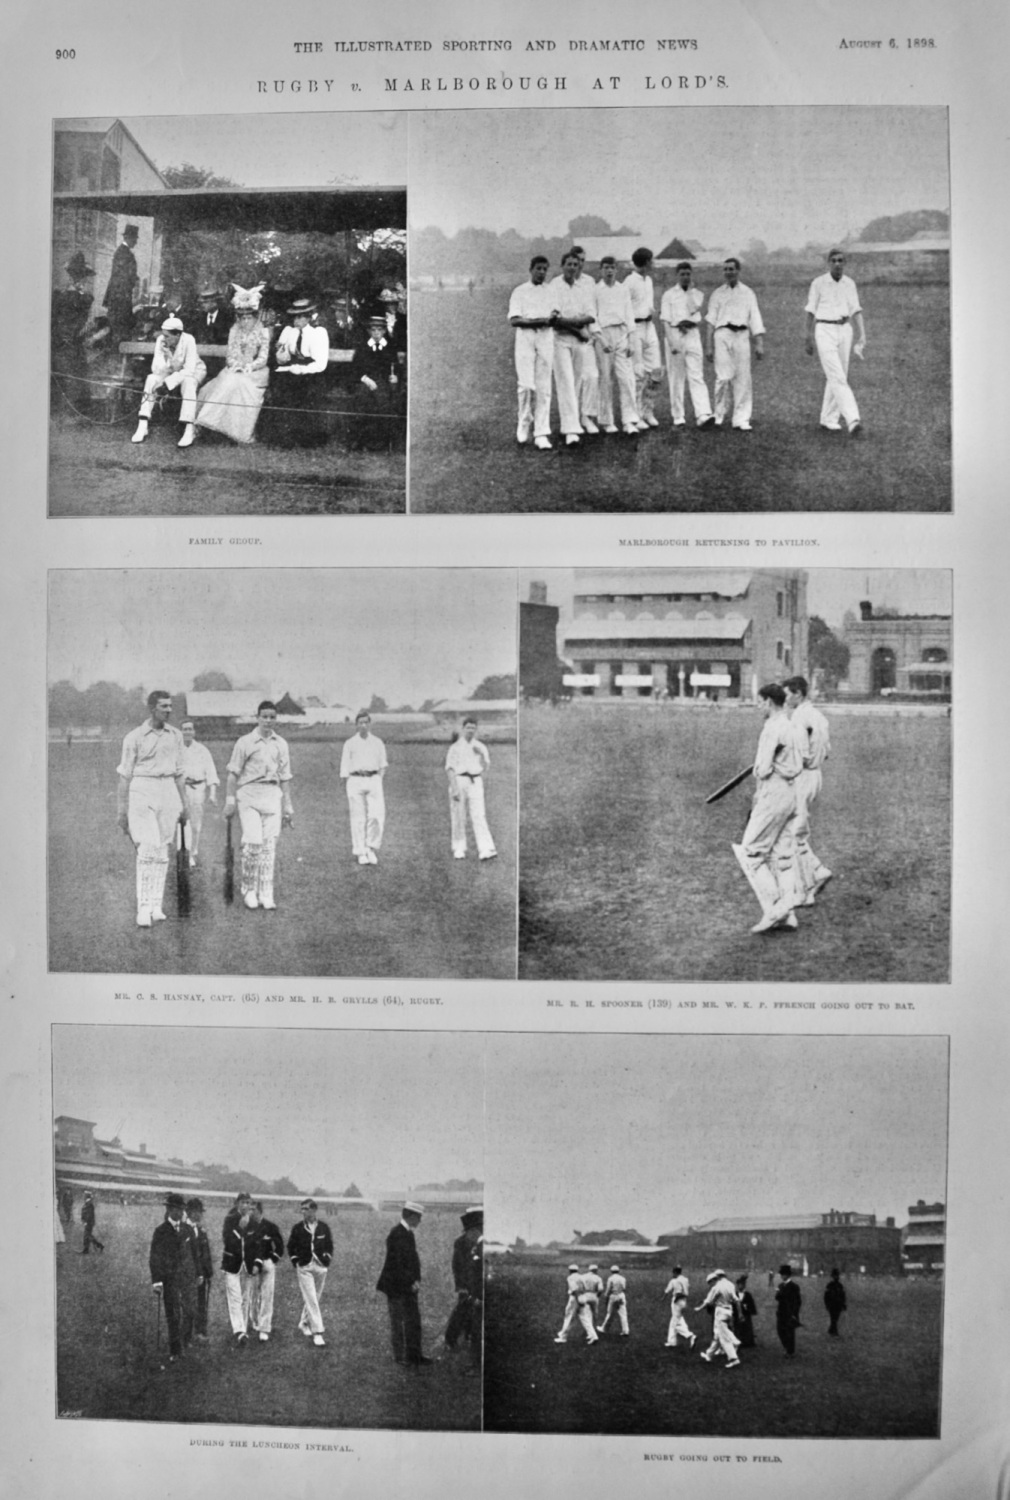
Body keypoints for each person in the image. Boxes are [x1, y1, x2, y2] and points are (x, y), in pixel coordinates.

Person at [731, 683, 804, 934]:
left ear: (769, 702)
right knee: (781, 856)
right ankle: (788, 914)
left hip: (773, 793)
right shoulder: (793, 725)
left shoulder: (772, 727)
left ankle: (776, 910)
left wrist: (759, 774)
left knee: (751, 853)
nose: (758, 706)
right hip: (792, 793)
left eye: (760, 702)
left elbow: (762, 769)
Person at [116, 690, 187, 928]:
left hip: (168, 790)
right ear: (152, 708)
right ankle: (143, 908)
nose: (169, 710)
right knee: (147, 848)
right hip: (142, 789)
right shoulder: (134, 737)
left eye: (170, 706)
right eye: (164, 706)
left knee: (162, 851)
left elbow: (179, 774)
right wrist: (121, 811)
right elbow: (124, 776)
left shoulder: (176, 735)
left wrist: (184, 804)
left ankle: (156, 905)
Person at [224, 701, 294, 911]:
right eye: (264, 716)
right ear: (257, 717)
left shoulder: (281, 743)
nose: (268, 720)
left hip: (272, 795)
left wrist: (288, 805)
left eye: (272, 717)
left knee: (268, 846)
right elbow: (232, 774)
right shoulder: (245, 742)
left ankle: (266, 892)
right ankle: (249, 890)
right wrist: (230, 802)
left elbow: (285, 777)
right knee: (253, 843)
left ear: (276, 719)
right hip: (249, 794)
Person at [194, 284, 271, 445]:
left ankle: (234, 431)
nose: (245, 321)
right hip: (235, 369)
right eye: (242, 317)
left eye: (249, 317)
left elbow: (263, 357)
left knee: (237, 384)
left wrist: (249, 366)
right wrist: (236, 365)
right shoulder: (234, 330)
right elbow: (231, 354)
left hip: (255, 372)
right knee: (219, 385)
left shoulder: (263, 331)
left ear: (255, 317)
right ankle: (210, 426)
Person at [783, 675, 833, 903]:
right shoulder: (819, 716)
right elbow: (827, 751)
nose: (785, 699)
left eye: (787, 694)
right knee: (796, 831)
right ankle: (815, 873)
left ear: (798, 694)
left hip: (802, 776)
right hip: (816, 775)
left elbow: (798, 754)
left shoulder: (799, 718)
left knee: (792, 834)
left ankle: (805, 889)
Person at [805, 249, 865, 435]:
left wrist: (862, 335)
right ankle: (853, 419)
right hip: (824, 330)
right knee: (836, 374)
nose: (837, 264)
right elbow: (810, 311)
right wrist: (807, 336)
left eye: (840, 261)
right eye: (834, 261)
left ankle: (828, 418)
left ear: (844, 263)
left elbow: (856, 310)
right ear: (828, 263)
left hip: (845, 329)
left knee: (839, 375)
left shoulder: (850, 284)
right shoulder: (818, 283)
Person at [261, 297, 331, 448]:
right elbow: (283, 356)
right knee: (281, 389)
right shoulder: (290, 332)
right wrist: (281, 355)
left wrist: (300, 370)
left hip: (312, 373)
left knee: (306, 393)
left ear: (308, 318)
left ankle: (307, 438)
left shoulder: (318, 333)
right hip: (292, 370)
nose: (296, 320)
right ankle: (284, 438)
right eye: (294, 316)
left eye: (300, 317)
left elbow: (320, 364)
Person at [705, 257, 765, 431]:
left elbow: (755, 318)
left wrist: (759, 343)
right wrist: (709, 346)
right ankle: (718, 415)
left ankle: (741, 419)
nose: (729, 272)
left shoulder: (748, 293)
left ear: (738, 271)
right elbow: (710, 321)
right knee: (723, 376)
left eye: (732, 269)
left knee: (742, 378)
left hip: (742, 335)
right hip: (722, 334)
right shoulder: (717, 293)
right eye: (726, 269)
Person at [131, 317, 207, 448]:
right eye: (163, 335)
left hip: (194, 371)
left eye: (167, 336)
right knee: (151, 379)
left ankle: (189, 428)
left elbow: (188, 370)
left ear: (178, 334)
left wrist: (167, 384)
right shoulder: (161, 340)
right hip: (171, 371)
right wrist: (166, 355)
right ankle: (143, 424)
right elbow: (156, 369)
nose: (163, 338)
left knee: (188, 383)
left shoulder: (189, 340)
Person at [508, 255, 557, 450]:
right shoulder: (519, 291)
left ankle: (541, 433)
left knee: (544, 386)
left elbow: (555, 313)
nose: (542, 272)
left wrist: (551, 317)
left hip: (545, 337)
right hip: (526, 338)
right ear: (531, 269)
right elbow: (514, 320)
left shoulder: (550, 291)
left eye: (545, 269)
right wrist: (538, 321)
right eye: (539, 268)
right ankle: (524, 423)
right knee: (526, 385)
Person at [550, 250, 599, 446]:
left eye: (575, 264)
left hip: (580, 342)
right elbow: (554, 319)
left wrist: (577, 323)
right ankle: (570, 430)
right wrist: (577, 327)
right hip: (561, 340)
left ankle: (575, 421)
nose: (572, 267)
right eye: (568, 264)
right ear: (562, 266)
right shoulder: (554, 286)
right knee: (566, 383)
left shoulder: (583, 288)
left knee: (577, 382)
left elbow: (591, 315)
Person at [376, 1201, 432, 1365]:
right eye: (419, 1217)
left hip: (408, 1286)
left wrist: (416, 1281)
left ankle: (415, 1355)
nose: (420, 1221)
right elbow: (398, 1264)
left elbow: (413, 1261)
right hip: (396, 1287)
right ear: (412, 1216)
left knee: (413, 1321)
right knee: (398, 1323)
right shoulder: (396, 1234)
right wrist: (411, 1282)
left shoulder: (408, 1233)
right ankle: (400, 1357)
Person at [660, 262, 715, 428]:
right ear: (677, 275)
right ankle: (678, 415)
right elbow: (665, 321)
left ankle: (703, 414)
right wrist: (672, 342)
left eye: (688, 274)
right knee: (676, 377)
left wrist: (690, 290)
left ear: (692, 275)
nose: (685, 277)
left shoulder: (697, 294)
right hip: (676, 333)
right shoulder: (668, 295)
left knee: (696, 374)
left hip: (692, 333)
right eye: (682, 274)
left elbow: (692, 309)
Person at [150, 1193, 199, 1362]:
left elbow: (194, 1254)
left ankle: (185, 1340)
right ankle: (175, 1350)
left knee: (189, 1310)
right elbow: (154, 1258)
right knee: (173, 1314)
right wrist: (156, 1281)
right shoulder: (161, 1231)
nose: (179, 1212)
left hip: (186, 1278)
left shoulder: (188, 1229)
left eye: (181, 1209)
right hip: (169, 1278)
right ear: (169, 1209)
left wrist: (198, 1273)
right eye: (175, 1209)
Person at [594, 257, 640, 435]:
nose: (609, 271)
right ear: (601, 270)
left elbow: (629, 314)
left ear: (616, 270)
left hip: (621, 334)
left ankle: (629, 421)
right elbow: (593, 316)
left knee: (626, 378)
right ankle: (607, 420)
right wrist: (600, 339)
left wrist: (631, 339)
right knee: (605, 378)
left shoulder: (623, 290)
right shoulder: (596, 290)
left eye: (612, 268)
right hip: (603, 335)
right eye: (606, 268)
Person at [445, 717, 497, 862]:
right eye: (468, 728)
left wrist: (480, 753)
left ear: (476, 730)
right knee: (458, 815)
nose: (470, 730)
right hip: (459, 780)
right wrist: (454, 788)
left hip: (475, 781)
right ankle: (459, 848)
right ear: (463, 729)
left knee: (479, 814)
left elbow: (486, 767)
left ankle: (485, 848)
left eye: (473, 728)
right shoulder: (455, 747)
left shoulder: (480, 746)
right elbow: (449, 768)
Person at [51, 251, 97, 413]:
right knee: (73, 377)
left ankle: (73, 411)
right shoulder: (80, 298)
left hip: (66, 343)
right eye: (83, 278)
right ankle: (72, 413)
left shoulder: (62, 296)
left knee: (73, 377)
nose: (85, 281)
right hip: (69, 343)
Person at [339, 711, 387, 866]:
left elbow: (383, 764)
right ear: (356, 725)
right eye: (360, 723)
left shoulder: (378, 742)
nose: (363, 725)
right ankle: (360, 852)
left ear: (370, 724)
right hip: (355, 780)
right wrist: (347, 783)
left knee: (376, 816)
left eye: (366, 722)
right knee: (358, 818)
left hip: (373, 779)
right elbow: (344, 766)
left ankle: (370, 848)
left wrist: (378, 778)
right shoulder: (350, 743)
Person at [624, 247, 664, 429]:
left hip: (650, 327)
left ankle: (648, 412)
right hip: (635, 328)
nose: (653, 263)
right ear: (646, 261)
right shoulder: (629, 282)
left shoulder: (648, 280)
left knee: (656, 371)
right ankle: (637, 415)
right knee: (638, 375)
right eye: (652, 260)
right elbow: (624, 309)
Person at [350, 311, 400, 451]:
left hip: (383, 382)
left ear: (384, 331)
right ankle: (361, 441)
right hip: (366, 381)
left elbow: (395, 368)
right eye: (373, 330)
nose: (376, 333)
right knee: (362, 399)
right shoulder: (363, 347)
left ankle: (380, 443)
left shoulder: (389, 347)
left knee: (382, 402)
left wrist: (395, 376)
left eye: (379, 330)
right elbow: (355, 369)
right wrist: (366, 379)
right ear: (369, 331)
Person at [288, 1199, 334, 1347]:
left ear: (314, 1210)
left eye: (306, 1208)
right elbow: (291, 1246)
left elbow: (329, 1245)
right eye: (302, 1209)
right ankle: (318, 1333)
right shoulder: (297, 1228)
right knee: (312, 1298)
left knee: (315, 1298)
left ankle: (303, 1323)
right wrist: (296, 1261)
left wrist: (326, 1258)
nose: (303, 1211)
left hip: (320, 1266)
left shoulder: (324, 1227)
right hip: (304, 1267)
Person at [444, 1207, 484, 1361]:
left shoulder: (479, 1241)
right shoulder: (461, 1242)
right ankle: (450, 1339)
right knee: (461, 1312)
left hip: (475, 1284)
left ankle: (467, 1336)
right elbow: (457, 1266)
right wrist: (461, 1286)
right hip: (466, 1285)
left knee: (472, 1313)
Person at [179, 720, 219, 867]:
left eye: (190, 729)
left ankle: (192, 851)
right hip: (181, 789)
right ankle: (183, 854)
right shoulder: (175, 750)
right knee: (182, 823)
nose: (187, 732)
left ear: (194, 732)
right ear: (180, 732)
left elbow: (211, 773)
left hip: (198, 789)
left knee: (195, 825)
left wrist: (212, 794)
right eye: (184, 729)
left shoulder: (202, 750)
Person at [245, 1201, 285, 1343]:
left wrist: (273, 1259)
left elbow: (279, 1246)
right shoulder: (247, 1226)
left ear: (260, 1211)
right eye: (249, 1209)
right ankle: (254, 1321)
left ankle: (264, 1328)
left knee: (267, 1295)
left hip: (267, 1263)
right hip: (252, 1266)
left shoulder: (270, 1226)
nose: (250, 1212)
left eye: (253, 1209)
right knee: (253, 1295)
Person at [221, 1192, 254, 1346]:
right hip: (232, 1262)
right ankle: (239, 1331)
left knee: (246, 1297)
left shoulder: (252, 1219)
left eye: (248, 1203)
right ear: (237, 1203)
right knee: (235, 1297)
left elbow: (255, 1241)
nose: (246, 1206)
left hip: (247, 1263)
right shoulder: (230, 1218)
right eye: (243, 1203)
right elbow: (228, 1239)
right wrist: (241, 1228)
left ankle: (244, 1329)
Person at [696, 1269, 742, 1368]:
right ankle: (709, 1355)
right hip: (729, 1311)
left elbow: (708, 1302)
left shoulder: (716, 1287)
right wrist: (740, 1313)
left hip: (720, 1312)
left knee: (723, 1338)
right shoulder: (731, 1285)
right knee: (717, 1334)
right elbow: (736, 1300)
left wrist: (699, 1308)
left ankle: (734, 1358)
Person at [103, 223, 139, 345]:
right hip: (120, 296)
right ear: (129, 238)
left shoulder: (123, 252)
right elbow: (123, 277)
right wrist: (134, 280)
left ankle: (119, 350)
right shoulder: (124, 253)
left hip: (119, 295)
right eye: (135, 239)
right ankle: (119, 352)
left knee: (120, 326)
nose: (136, 242)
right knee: (120, 326)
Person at [185, 1198, 213, 1342]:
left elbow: (206, 1253)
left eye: (200, 1212)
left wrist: (208, 1272)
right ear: (189, 1212)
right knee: (189, 1304)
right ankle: (187, 1335)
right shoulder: (184, 1229)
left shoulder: (201, 1230)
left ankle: (200, 1332)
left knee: (201, 1304)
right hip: (189, 1274)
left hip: (202, 1275)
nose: (199, 1215)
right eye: (196, 1212)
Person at [553, 1263, 598, 1345]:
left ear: (570, 1271)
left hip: (575, 1298)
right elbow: (585, 1288)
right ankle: (593, 1336)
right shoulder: (581, 1277)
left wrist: (578, 1299)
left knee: (569, 1317)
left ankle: (563, 1337)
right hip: (583, 1297)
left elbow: (574, 1289)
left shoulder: (570, 1277)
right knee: (585, 1318)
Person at [662, 1264, 695, 1347]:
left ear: (675, 1272)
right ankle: (672, 1341)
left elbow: (678, 1292)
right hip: (684, 1301)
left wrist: (675, 1301)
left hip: (678, 1300)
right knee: (677, 1319)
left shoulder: (676, 1280)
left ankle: (690, 1335)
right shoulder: (685, 1279)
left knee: (675, 1322)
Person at [775, 1262, 803, 1356]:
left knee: (790, 1333)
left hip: (789, 1313)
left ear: (787, 1275)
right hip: (781, 1312)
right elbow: (777, 1298)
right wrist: (779, 1293)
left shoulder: (794, 1287)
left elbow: (797, 1301)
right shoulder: (780, 1286)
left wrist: (794, 1314)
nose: (781, 1276)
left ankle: (790, 1351)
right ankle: (787, 1347)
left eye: (783, 1274)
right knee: (780, 1331)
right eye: (781, 1274)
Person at [598, 1265, 630, 1336]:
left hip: (613, 1296)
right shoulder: (623, 1278)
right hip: (621, 1295)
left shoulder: (611, 1278)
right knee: (623, 1314)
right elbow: (624, 1288)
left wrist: (606, 1297)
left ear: (611, 1271)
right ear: (618, 1271)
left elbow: (608, 1289)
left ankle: (604, 1328)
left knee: (610, 1314)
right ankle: (625, 1331)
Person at [733, 1274, 758, 1347]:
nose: (740, 1286)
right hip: (737, 1316)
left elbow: (752, 1307)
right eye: (739, 1285)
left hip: (746, 1316)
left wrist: (747, 1308)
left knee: (746, 1328)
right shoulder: (735, 1294)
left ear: (744, 1285)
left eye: (742, 1284)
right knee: (738, 1328)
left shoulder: (748, 1295)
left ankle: (747, 1342)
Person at [824, 1267, 847, 1336]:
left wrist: (843, 1303)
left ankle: (832, 1330)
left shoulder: (837, 1286)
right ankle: (834, 1331)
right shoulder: (833, 1286)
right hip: (833, 1304)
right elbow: (827, 1296)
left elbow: (842, 1296)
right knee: (834, 1318)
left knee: (835, 1318)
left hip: (836, 1304)